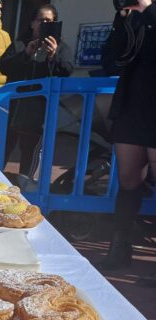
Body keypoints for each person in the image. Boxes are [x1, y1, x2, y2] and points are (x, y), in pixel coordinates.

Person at [99, 0, 156, 270]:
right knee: (128, 180)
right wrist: (122, 22)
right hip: (132, 106)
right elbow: (111, 61)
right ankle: (119, 248)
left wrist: (148, 10)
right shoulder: (129, 15)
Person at [0, 4, 73, 178]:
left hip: (40, 111)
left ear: (55, 24)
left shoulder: (62, 47)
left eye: (49, 21)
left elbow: (67, 71)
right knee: (3, 148)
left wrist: (53, 55)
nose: (44, 23)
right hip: (13, 108)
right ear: (32, 23)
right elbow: (4, 66)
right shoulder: (19, 44)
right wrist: (25, 53)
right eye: (41, 20)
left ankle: (25, 187)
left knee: (30, 151)